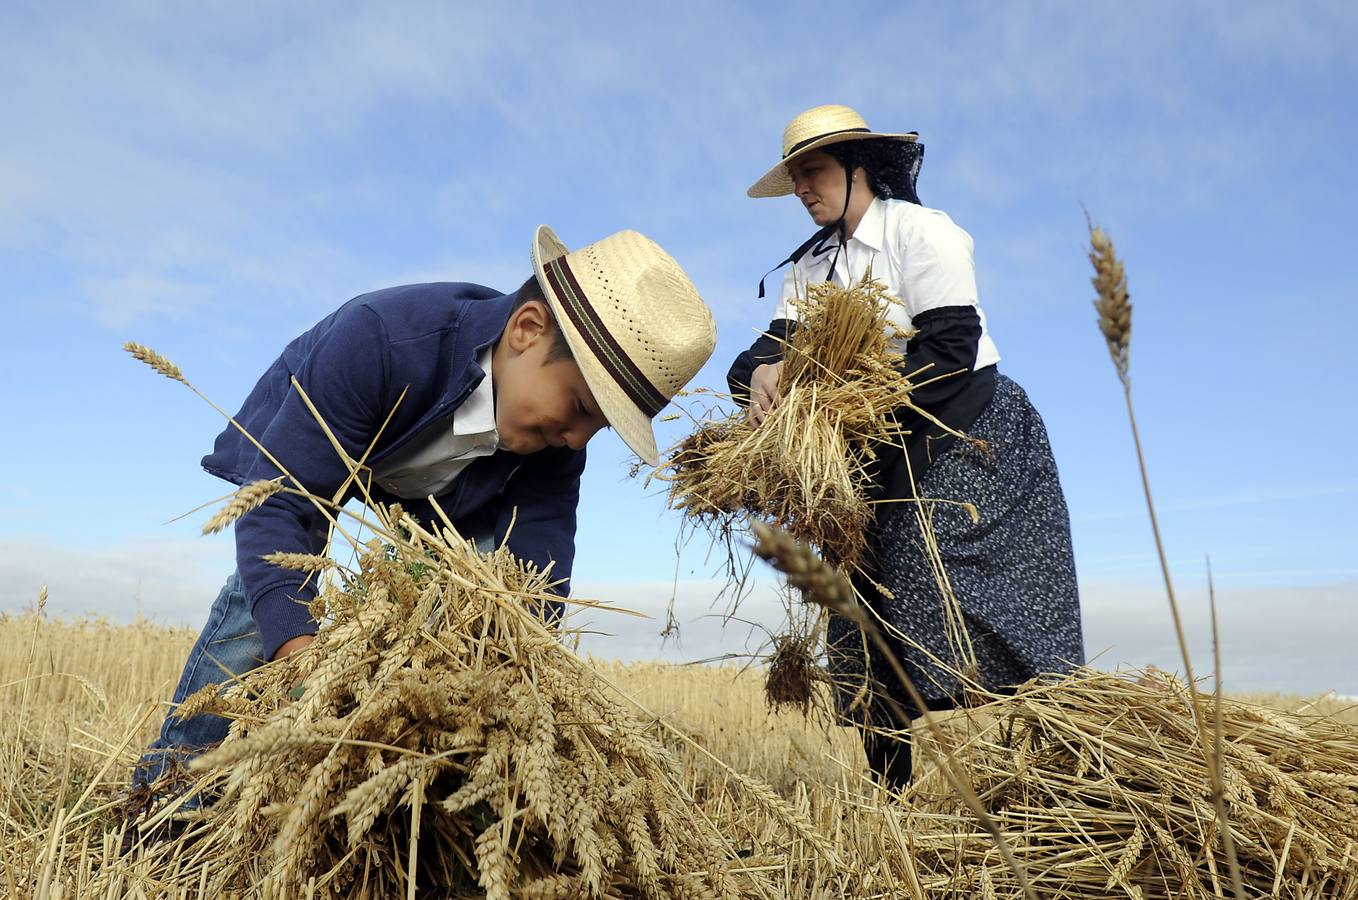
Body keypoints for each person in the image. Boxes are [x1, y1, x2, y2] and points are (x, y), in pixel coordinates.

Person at [131, 225, 717, 802]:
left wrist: (514, 674)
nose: (575, 437)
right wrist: (306, 666)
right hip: (321, 441)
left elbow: (538, 567)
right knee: (258, 609)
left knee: (483, 603)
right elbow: (281, 504)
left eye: (598, 427)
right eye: (579, 406)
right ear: (527, 330)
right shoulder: (379, 340)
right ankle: (171, 796)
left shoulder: (556, 443)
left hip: (446, 497)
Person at [728, 105, 1084, 790]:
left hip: (965, 431)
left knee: (961, 591)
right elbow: (767, 351)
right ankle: (888, 795)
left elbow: (952, 348)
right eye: (796, 177)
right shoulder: (813, 266)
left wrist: (852, 401)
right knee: (864, 617)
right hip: (871, 452)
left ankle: (1065, 768)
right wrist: (760, 374)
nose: (804, 188)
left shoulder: (924, 233)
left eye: (816, 171)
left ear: (861, 167)